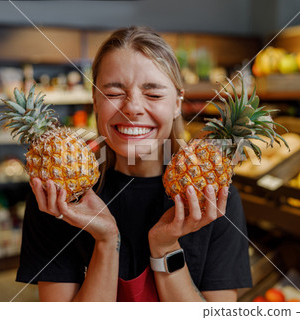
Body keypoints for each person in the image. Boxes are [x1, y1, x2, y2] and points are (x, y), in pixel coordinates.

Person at [16, 26, 252, 302]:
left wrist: (164, 247)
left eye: (153, 94)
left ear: (177, 103)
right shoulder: (57, 195)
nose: (132, 108)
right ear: (94, 100)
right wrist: (105, 241)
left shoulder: (213, 199)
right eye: (114, 93)